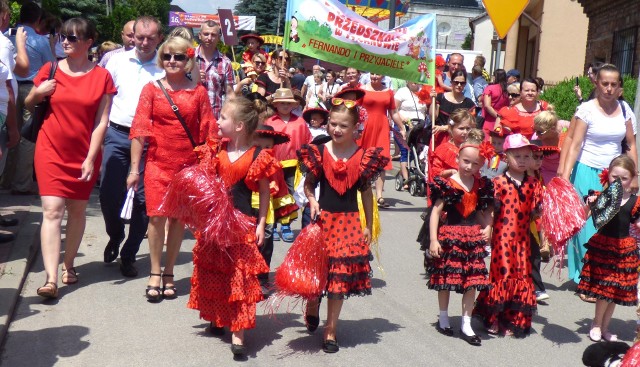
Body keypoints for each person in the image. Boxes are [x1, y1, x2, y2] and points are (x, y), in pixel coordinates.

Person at [163, 96, 275, 358]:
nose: (217, 121)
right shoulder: (215, 150)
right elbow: (202, 183)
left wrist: (261, 224)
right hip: (214, 223)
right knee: (215, 270)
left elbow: (265, 193)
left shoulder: (258, 155)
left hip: (242, 224)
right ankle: (216, 316)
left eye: (223, 117)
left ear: (238, 126)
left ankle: (238, 332)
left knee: (239, 275)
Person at [24, 18, 116, 298]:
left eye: (73, 38)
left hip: (83, 153)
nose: (65, 41)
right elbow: (28, 103)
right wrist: (38, 93)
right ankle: (51, 279)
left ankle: (69, 264)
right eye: (63, 36)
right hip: (50, 149)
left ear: (89, 43)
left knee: (77, 211)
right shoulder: (50, 69)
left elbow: (102, 122)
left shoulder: (102, 76)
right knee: (52, 211)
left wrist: (91, 157)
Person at [127, 36, 216, 302]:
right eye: (167, 56)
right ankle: (154, 272)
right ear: (161, 59)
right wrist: (134, 169)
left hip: (187, 166)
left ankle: (169, 273)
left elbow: (208, 130)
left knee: (178, 220)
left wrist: (207, 167)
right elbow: (139, 131)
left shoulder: (198, 92)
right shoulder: (151, 89)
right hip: (157, 164)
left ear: (188, 59)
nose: (172, 61)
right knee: (156, 217)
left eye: (178, 56)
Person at [297, 99, 389, 353]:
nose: (336, 129)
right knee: (318, 273)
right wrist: (312, 200)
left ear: (356, 127)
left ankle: (331, 329)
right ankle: (313, 303)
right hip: (322, 220)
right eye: (333, 124)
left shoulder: (363, 156)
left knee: (338, 279)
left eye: (343, 126)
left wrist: (368, 225)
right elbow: (308, 184)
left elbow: (367, 194)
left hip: (348, 224)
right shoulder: (319, 151)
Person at [561, 64, 638, 293]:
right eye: (605, 83)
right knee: (587, 225)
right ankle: (586, 277)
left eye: (614, 84)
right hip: (586, 169)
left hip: (614, 174)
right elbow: (574, 144)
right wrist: (564, 176)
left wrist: (635, 176)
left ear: (619, 87)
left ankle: (603, 274)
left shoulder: (625, 110)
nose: (609, 88)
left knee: (608, 224)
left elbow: (631, 145)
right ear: (597, 83)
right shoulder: (587, 109)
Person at [100, 15, 165, 277]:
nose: (145, 42)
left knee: (144, 202)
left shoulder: (166, 64)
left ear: (160, 38)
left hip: (152, 140)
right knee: (108, 194)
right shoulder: (116, 61)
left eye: (151, 38)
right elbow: (102, 98)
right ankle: (115, 235)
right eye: (140, 37)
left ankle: (129, 253)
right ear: (131, 36)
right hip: (117, 134)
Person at [428, 129, 493, 346]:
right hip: (450, 236)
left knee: (472, 282)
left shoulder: (480, 185)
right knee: (446, 280)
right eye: (466, 161)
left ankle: (466, 323)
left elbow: (480, 212)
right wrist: (434, 240)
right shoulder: (448, 184)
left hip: (472, 238)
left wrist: (488, 227)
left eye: (475, 164)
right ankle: (444, 317)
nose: (469, 167)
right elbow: (436, 212)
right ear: (457, 159)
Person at [473, 133, 542, 337]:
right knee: (502, 275)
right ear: (505, 157)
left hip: (523, 240)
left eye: (526, 156)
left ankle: (514, 318)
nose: (522, 160)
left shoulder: (533, 184)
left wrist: (543, 212)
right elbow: (492, 211)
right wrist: (487, 228)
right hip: (503, 238)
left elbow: (534, 213)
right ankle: (493, 317)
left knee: (521, 275)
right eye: (517, 156)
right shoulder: (499, 182)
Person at [578, 155, 640, 342]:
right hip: (604, 246)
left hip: (624, 248)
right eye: (615, 177)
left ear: (632, 178)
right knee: (604, 289)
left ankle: (605, 328)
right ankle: (596, 324)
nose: (619, 182)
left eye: (624, 178)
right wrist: (588, 205)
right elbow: (583, 217)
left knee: (613, 291)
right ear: (607, 175)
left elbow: (637, 223)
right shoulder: (601, 196)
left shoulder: (635, 201)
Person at [1, 1, 55, 195]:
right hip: (31, 88)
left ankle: (5, 179)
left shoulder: (8, 35)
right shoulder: (39, 40)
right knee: (27, 135)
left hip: (8, 88)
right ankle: (22, 183)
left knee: (7, 132)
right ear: (38, 19)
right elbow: (51, 66)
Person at [264, 88, 312, 242]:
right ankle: (272, 225)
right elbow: (263, 143)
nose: (285, 105)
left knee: (291, 195)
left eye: (288, 103)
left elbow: (308, 142)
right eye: (281, 103)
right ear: (276, 105)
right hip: (273, 164)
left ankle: (286, 224)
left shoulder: (300, 122)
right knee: (274, 193)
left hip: (293, 165)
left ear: (293, 105)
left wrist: (307, 160)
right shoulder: (269, 122)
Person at [359, 72, 406, 208]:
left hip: (382, 129)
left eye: (378, 74)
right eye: (372, 74)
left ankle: (379, 195)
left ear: (383, 76)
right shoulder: (362, 90)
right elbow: (355, 110)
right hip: (365, 128)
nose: (375, 76)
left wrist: (401, 127)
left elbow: (394, 112)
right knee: (363, 160)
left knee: (381, 161)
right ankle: (361, 192)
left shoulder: (388, 92)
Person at [195, 20, 234, 120]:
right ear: (199, 35)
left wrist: (228, 117)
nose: (209, 38)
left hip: (214, 119)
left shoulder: (225, 62)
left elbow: (230, 94)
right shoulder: (187, 58)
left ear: (219, 37)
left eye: (213, 35)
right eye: (206, 34)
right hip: (191, 118)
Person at [430, 70, 476, 148]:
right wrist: (432, 101)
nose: (459, 85)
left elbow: (471, 126)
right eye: (456, 82)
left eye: (462, 83)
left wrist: (445, 128)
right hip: (440, 138)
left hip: (459, 140)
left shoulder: (469, 103)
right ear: (451, 82)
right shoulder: (440, 97)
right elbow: (433, 117)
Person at [395, 81, 427, 189]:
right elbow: (394, 109)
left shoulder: (424, 91)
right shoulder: (402, 92)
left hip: (420, 127)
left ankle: (417, 172)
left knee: (418, 153)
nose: (414, 82)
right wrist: (403, 119)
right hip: (404, 126)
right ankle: (405, 179)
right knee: (405, 151)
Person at [430, 109, 475, 180]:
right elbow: (435, 173)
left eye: (468, 128)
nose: (465, 132)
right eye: (461, 128)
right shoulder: (443, 149)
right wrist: (450, 172)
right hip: (448, 186)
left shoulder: (474, 149)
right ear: (451, 129)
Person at [481, 69, 509, 136]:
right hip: (503, 120)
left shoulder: (490, 88)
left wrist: (497, 116)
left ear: (495, 77)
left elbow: (487, 106)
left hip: (489, 120)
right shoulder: (507, 90)